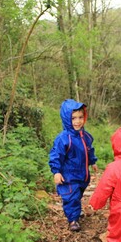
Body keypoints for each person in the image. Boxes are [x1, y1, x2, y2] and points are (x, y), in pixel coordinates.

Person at [49, 99, 98, 232]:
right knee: (71, 196)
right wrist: (56, 171)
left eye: (80, 117)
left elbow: (89, 150)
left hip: (83, 175)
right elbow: (56, 155)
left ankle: (75, 211)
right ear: (66, 119)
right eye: (73, 118)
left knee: (78, 194)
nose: (78, 121)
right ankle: (72, 220)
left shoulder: (85, 136)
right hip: (68, 175)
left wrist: (92, 161)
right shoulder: (63, 138)